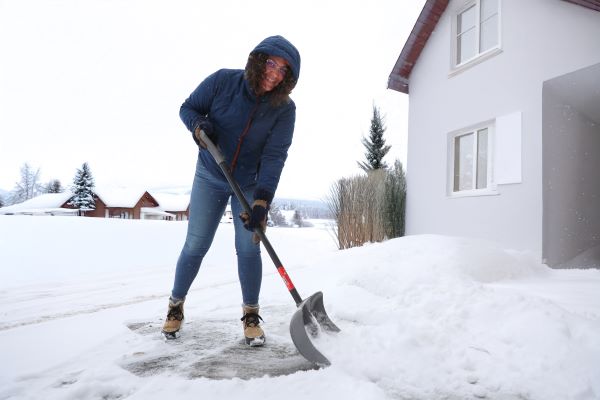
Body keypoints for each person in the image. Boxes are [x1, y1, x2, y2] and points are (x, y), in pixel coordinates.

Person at [161, 35, 301, 346]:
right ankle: (175, 305)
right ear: (258, 61)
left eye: (284, 70)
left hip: (249, 182)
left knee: (250, 246)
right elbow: (188, 108)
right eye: (271, 63)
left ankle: (251, 314)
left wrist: (262, 200)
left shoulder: (284, 110)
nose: (275, 72)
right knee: (196, 243)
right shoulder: (224, 81)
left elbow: (274, 155)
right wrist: (199, 125)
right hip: (211, 173)